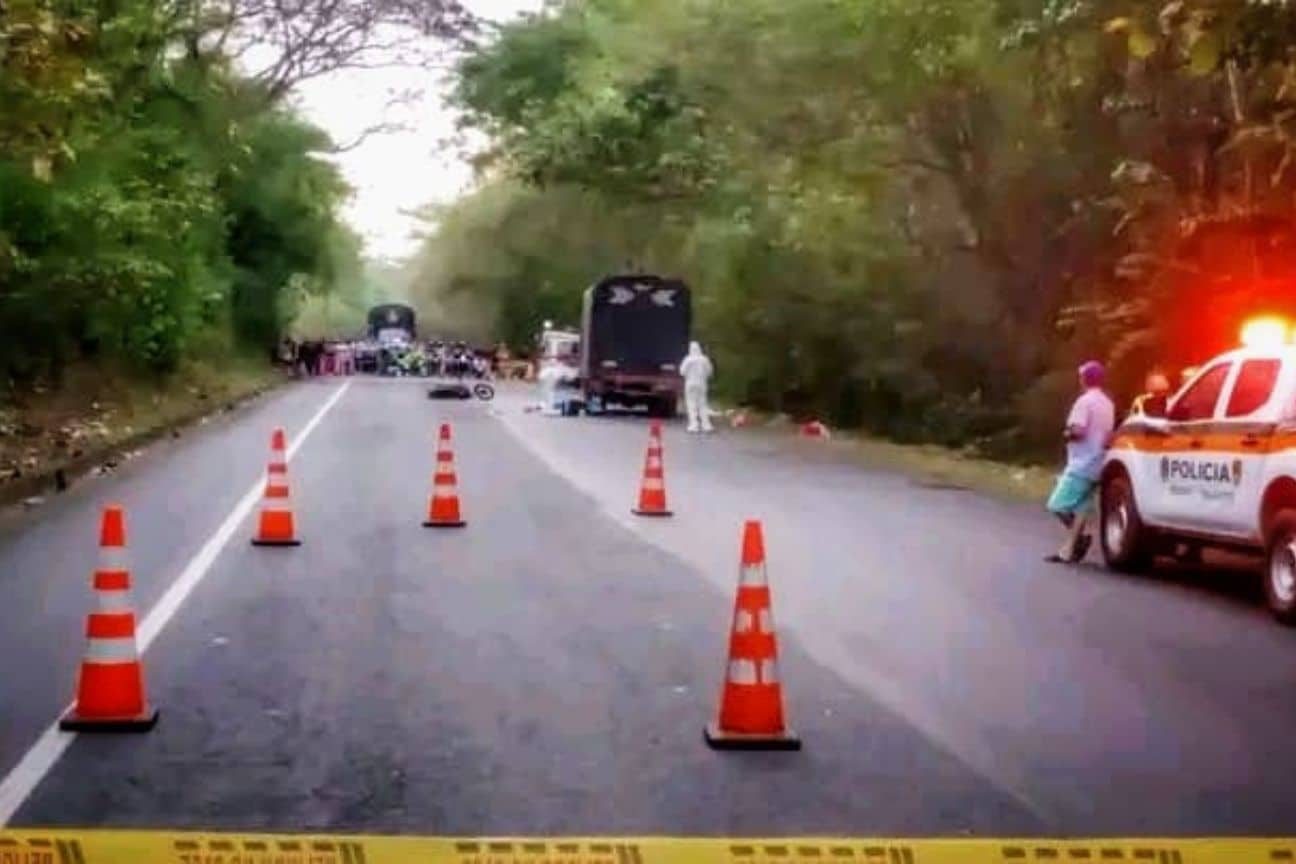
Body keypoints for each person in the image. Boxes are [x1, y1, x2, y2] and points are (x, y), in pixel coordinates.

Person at [1045, 360, 1115, 563]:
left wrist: (1066, 433)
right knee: (1081, 508)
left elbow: (1079, 430)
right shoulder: (1107, 403)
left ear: (1085, 379)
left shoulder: (1084, 402)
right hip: (1098, 461)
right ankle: (1069, 551)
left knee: (1057, 505)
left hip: (1081, 463)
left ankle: (1080, 541)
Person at [679, 341, 715, 433]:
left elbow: (682, 372)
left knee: (691, 404)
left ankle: (693, 425)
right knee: (702, 404)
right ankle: (706, 425)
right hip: (702, 384)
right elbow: (710, 371)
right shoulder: (704, 359)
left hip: (690, 384)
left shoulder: (688, 359)